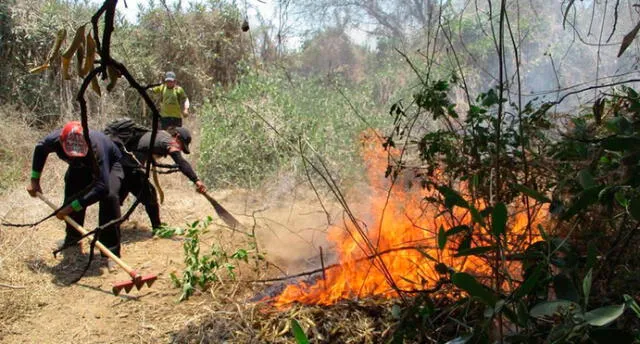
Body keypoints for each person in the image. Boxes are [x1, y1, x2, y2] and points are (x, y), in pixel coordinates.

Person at [27, 121, 124, 264]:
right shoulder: (54, 139)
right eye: (70, 153)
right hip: (82, 167)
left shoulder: (96, 146)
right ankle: (73, 239)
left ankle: (110, 251)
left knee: (109, 197)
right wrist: (35, 180)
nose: (74, 157)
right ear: (61, 141)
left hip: (110, 165)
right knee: (72, 187)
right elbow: (40, 149)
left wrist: (71, 207)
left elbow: (102, 187)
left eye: (77, 154)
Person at [117, 126, 207, 230]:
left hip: (119, 166)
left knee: (115, 199)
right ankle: (157, 228)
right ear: (177, 136)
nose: (179, 149)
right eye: (181, 145)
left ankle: (113, 226)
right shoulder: (169, 141)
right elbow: (181, 161)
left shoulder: (160, 134)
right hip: (128, 167)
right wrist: (196, 180)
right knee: (150, 195)